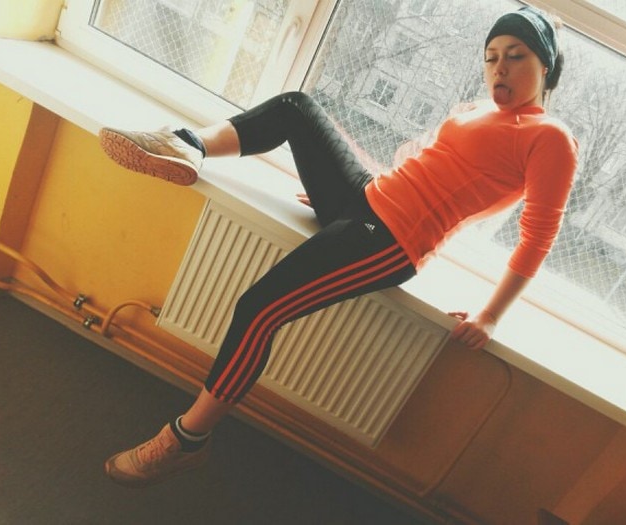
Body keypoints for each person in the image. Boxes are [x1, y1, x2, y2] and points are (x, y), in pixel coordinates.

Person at [98, 6, 578, 487]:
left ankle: (186, 441)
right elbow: (421, 169)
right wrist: (328, 186)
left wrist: (491, 315)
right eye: (491, 57)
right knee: (295, 107)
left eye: (516, 56)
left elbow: (538, 237)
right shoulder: (477, 111)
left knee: (259, 309)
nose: (500, 68)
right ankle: (186, 145)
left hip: (390, 239)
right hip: (365, 199)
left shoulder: (550, 137)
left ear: (546, 67)